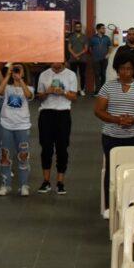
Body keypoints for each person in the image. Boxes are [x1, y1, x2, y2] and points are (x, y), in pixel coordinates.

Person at [95, 51, 134, 216]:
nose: (125, 72)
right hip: (111, 136)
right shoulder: (108, 86)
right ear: (117, 70)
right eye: (122, 69)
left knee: (133, 171)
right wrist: (116, 120)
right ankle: (109, 207)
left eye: (129, 69)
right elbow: (98, 110)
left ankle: (131, 204)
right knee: (112, 170)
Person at [36, 59, 77, 194]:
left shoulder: (71, 75)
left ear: (63, 61)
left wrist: (63, 92)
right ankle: (46, 181)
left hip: (63, 113)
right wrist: (47, 92)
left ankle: (60, 182)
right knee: (46, 148)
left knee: (62, 148)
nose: (55, 64)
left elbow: (74, 97)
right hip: (46, 113)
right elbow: (39, 96)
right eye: (53, 61)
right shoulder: (43, 75)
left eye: (58, 61)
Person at [0, 64, 34, 197]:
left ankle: (24, 185)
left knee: (23, 155)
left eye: (19, 70)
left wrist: (20, 80)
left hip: (22, 126)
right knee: (5, 156)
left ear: (24, 73)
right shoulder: (7, 87)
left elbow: (29, 95)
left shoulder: (28, 87)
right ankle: (5, 184)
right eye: (14, 70)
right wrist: (7, 75)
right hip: (6, 125)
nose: (16, 72)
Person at [89, 23, 114, 91]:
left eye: (104, 28)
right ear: (98, 29)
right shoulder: (93, 38)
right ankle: (97, 90)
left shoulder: (107, 38)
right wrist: (94, 54)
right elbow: (90, 48)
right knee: (97, 75)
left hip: (104, 59)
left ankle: (103, 90)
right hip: (96, 59)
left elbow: (110, 47)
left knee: (103, 74)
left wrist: (108, 54)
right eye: (103, 28)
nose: (104, 29)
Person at [66, 21, 88, 93]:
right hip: (73, 59)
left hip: (83, 59)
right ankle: (73, 90)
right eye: (77, 27)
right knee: (73, 75)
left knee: (83, 75)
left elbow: (86, 48)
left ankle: (82, 89)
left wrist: (77, 55)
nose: (78, 28)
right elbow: (69, 48)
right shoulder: (71, 37)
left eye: (79, 27)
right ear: (74, 28)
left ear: (81, 27)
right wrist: (75, 55)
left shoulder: (84, 37)